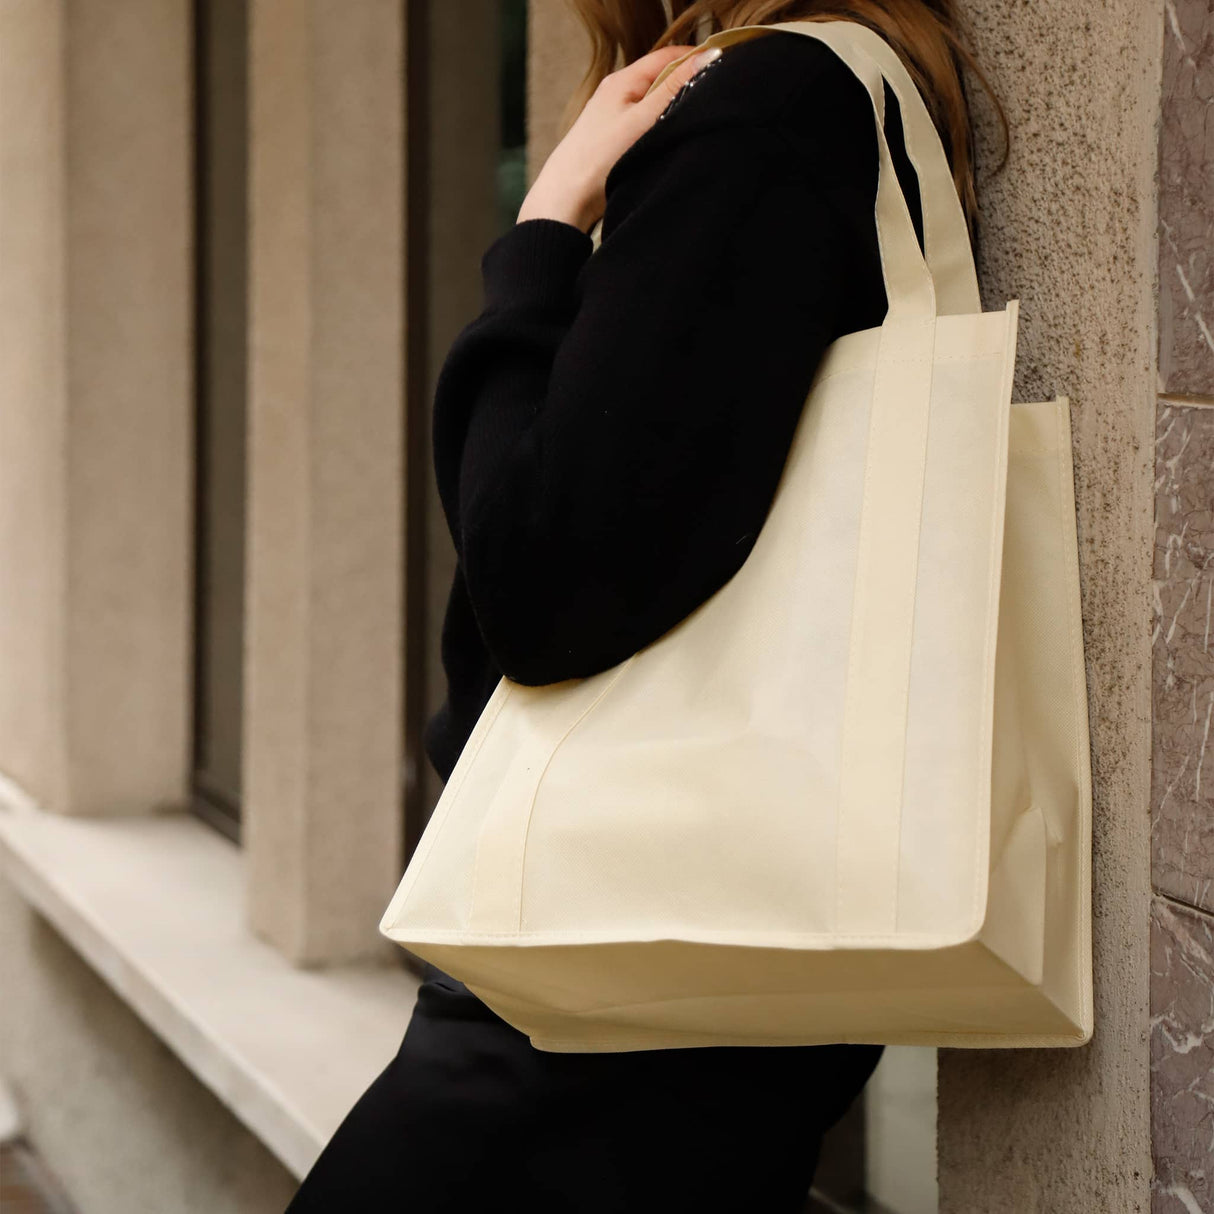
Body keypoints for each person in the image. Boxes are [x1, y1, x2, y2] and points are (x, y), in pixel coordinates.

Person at [285, 2, 1004, 1210]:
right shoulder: (820, 96)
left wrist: (539, 236)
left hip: (616, 981)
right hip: (709, 939)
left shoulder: (758, 113)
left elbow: (539, 582)